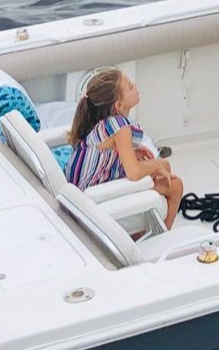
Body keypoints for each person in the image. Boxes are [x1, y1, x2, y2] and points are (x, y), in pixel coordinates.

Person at [67, 68, 183, 230]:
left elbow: (105, 152)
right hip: (93, 200)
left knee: (165, 166)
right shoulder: (120, 129)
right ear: (119, 105)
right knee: (175, 184)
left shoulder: (106, 123)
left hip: (84, 191)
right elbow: (134, 173)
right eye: (130, 86)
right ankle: (159, 236)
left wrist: (133, 151)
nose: (135, 86)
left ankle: (145, 227)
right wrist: (156, 165)